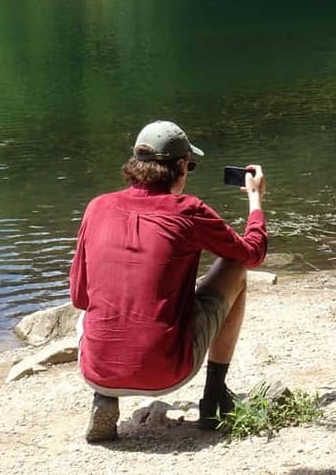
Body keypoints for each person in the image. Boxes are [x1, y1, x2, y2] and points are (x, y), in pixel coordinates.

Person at [69, 120, 268, 442]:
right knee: (235, 267)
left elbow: (79, 297)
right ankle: (214, 397)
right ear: (179, 166)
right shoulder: (188, 210)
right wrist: (255, 201)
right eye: (189, 164)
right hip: (168, 371)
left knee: (94, 309)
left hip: (97, 373)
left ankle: (105, 396)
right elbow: (252, 254)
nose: (188, 170)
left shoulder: (97, 207)